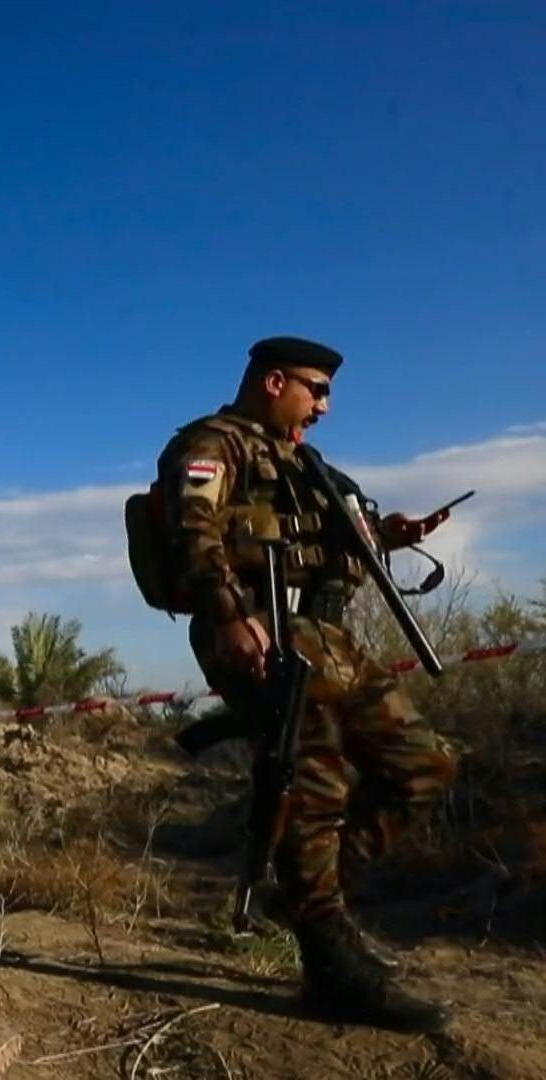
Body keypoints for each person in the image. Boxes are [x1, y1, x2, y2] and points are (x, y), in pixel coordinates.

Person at [156, 336, 457, 1032]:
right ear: (271, 381)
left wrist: (388, 533)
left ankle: (312, 903)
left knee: (426, 765)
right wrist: (228, 613)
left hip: (329, 637)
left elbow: (315, 536)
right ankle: (330, 963)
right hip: (265, 631)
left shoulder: (301, 460)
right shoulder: (211, 444)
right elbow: (193, 528)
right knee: (313, 790)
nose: (323, 405)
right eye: (314, 389)